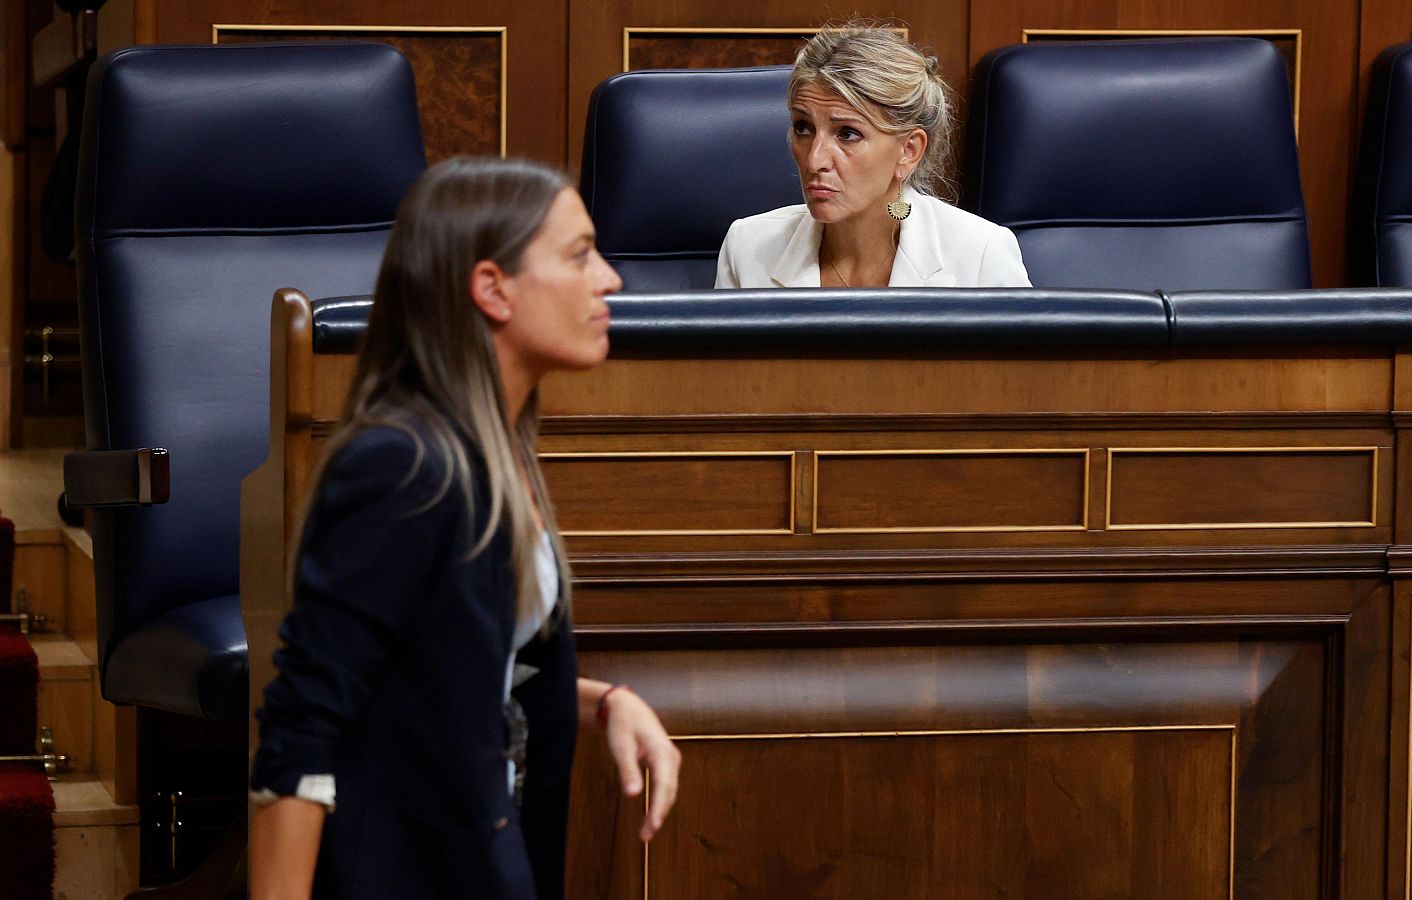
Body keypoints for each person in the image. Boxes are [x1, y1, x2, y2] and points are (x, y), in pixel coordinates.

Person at [247, 157, 681, 900]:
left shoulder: (493, 453)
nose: (610, 278)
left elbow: (456, 671)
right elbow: (304, 728)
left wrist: (605, 700)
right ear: (491, 288)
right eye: (579, 255)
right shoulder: (401, 465)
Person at [716, 24, 1031, 289]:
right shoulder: (747, 248)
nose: (815, 161)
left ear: (908, 151)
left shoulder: (980, 256)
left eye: (847, 134)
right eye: (803, 128)